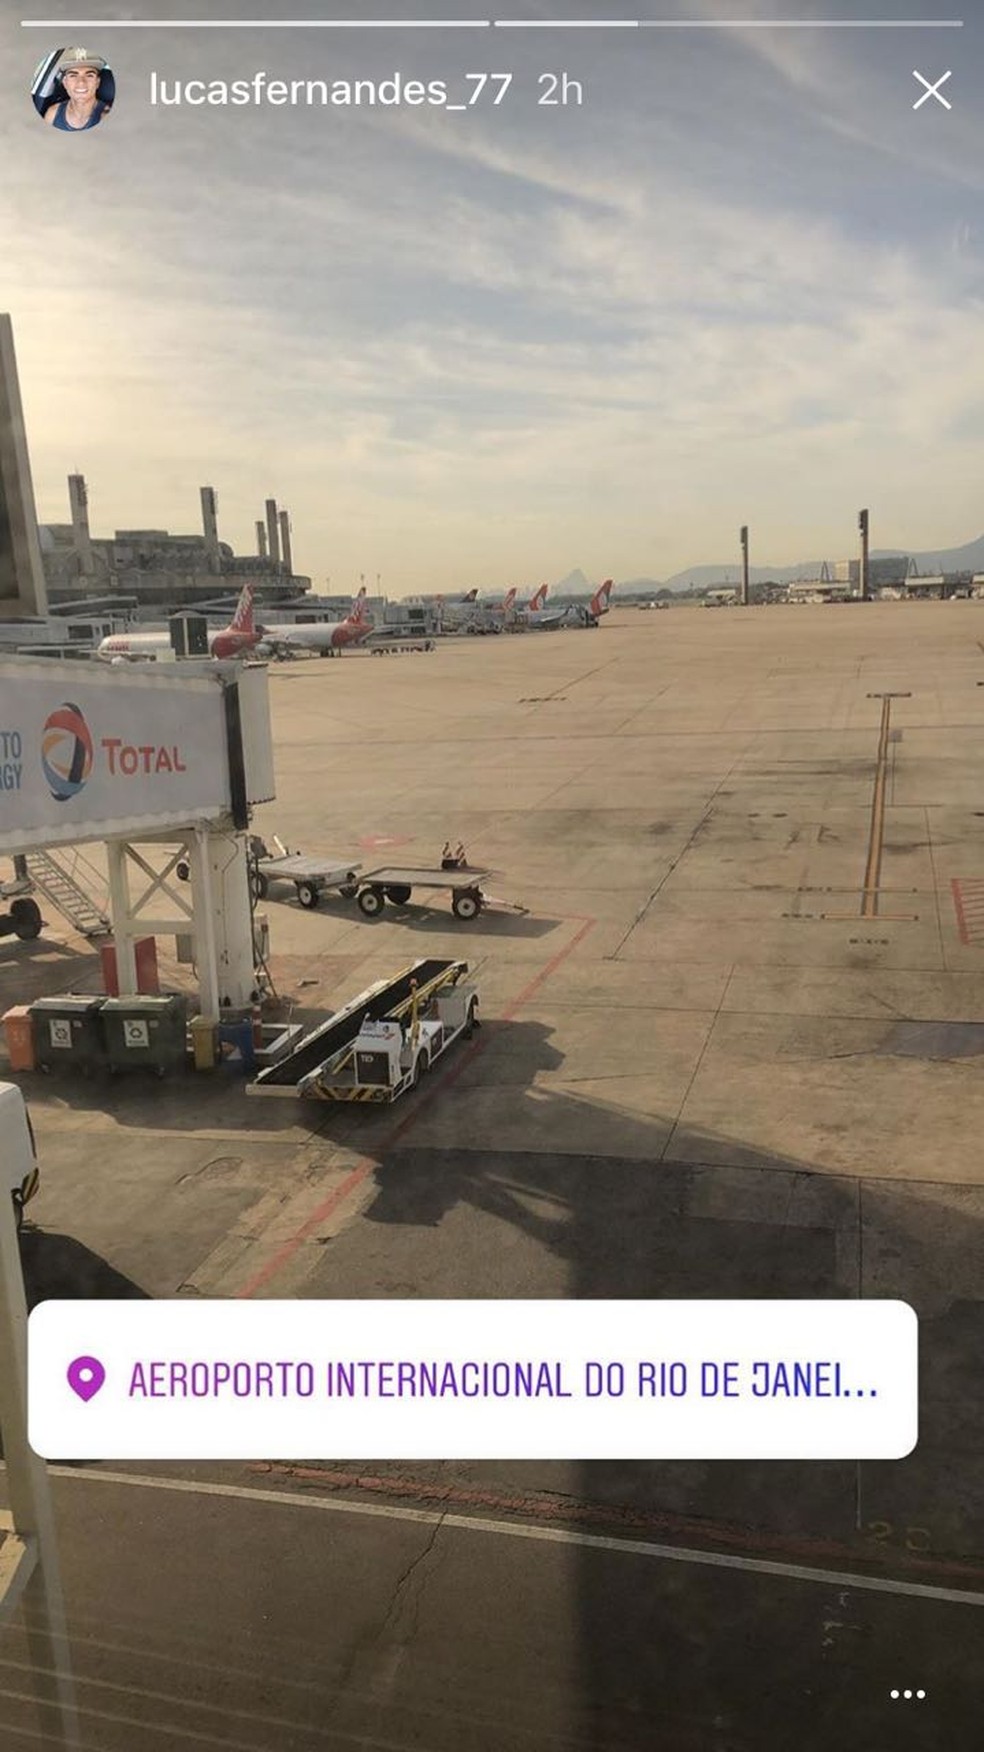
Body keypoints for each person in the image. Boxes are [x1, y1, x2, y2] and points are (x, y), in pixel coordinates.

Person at [46, 47, 110, 131]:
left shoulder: (106, 115)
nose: (81, 83)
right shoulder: (53, 113)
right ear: (65, 83)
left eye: (89, 75)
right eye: (73, 75)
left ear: (97, 82)